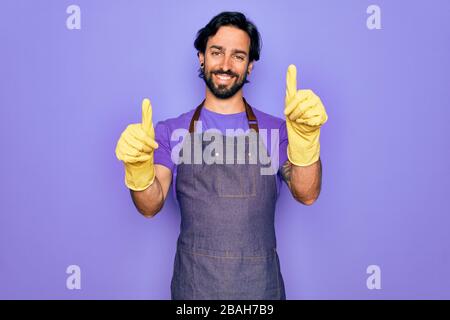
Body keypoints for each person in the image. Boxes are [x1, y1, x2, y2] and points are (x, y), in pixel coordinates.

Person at [115, 11, 328, 300]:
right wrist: (138, 169)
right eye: (217, 52)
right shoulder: (171, 131)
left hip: (260, 291)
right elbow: (150, 206)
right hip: (194, 290)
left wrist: (305, 143)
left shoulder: (277, 130)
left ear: (250, 66)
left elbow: (307, 193)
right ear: (202, 56)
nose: (226, 65)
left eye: (238, 56)